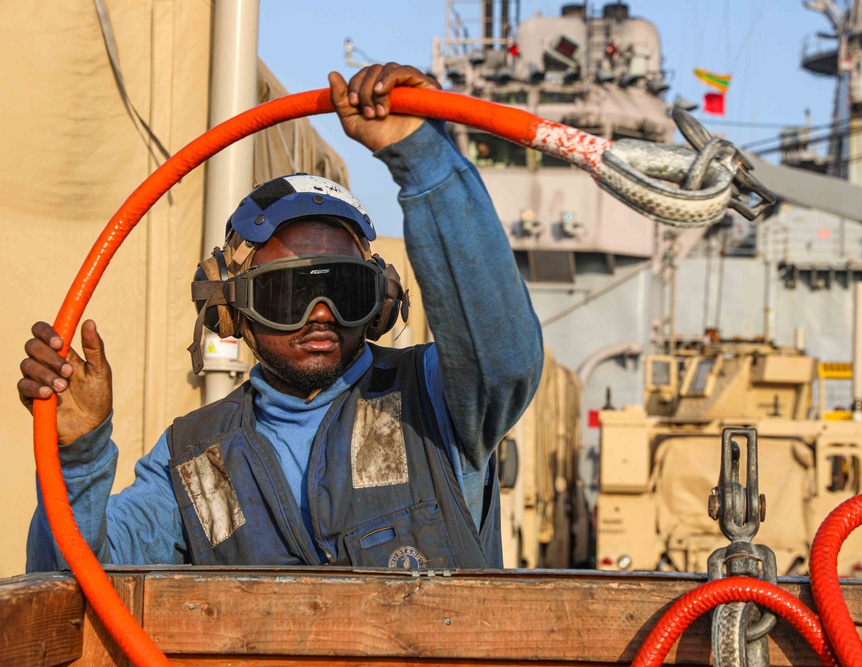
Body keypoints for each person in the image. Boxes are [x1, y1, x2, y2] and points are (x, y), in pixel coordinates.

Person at [19, 63, 544, 571]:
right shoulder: (198, 459)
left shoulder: (434, 402)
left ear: (380, 302)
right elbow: (73, 583)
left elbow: (504, 359)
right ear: (231, 311)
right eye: (288, 294)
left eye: (343, 289)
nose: (321, 315)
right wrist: (81, 457)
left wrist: (423, 156)